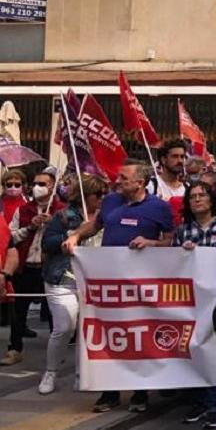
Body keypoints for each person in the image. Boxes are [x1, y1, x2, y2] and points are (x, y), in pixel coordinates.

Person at [65, 161, 175, 412]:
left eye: (124, 178)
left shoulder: (159, 208)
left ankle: (140, 392)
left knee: (138, 335)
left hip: (140, 285)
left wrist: (150, 243)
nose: (118, 180)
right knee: (108, 335)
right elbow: (95, 225)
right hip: (109, 284)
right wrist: (75, 236)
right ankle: (109, 392)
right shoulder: (111, 201)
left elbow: (170, 241)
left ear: (140, 182)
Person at [35, 174, 105, 396]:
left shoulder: (108, 217)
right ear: (86, 195)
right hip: (62, 277)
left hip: (94, 281)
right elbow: (48, 243)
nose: (102, 199)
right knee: (65, 326)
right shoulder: (64, 216)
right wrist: (73, 234)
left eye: (105, 194)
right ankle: (51, 372)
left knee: (88, 329)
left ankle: (81, 374)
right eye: (98, 195)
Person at [173, 182, 216, 429]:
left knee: (214, 351)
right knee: (193, 349)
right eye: (192, 196)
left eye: (202, 195)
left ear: (211, 199)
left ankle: (214, 405)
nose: (197, 200)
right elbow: (173, 262)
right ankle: (199, 402)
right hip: (192, 298)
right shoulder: (183, 230)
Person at [1, 170, 63, 367]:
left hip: (50, 269)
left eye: (43, 184)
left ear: (53, 187)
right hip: (26, 266)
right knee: (19, 311)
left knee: (55, 312)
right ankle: (15, 349)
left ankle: (57, 354)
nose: (37, 187)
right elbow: (10, 237)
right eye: (35, 183)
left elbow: (70, 237)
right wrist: (29, 228)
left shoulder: (62, 211)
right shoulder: (24, 210)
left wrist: (53, 225)